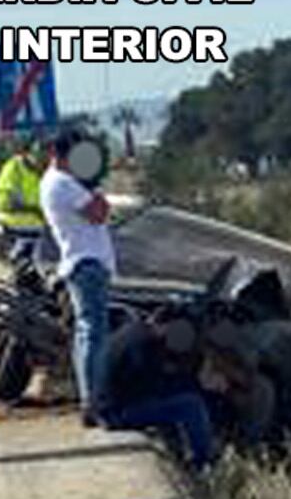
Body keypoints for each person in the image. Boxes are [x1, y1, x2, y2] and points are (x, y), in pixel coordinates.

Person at [39, 127, 115, 424]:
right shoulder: (63, 184)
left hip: (82, 263)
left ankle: (90, 397)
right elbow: (100, 213)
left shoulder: (57, 182)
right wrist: (94, 186)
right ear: (61, 155)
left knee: (86, 334)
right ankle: (93, 401)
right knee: (94, 333)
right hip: (86, 264)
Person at [96, 308, 217, 469]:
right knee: (191, 405)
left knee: (179, 402)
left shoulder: (132, 332)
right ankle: (203, 462)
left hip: (110, 406)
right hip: (116, 413)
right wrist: (193, 385)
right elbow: (152, 388)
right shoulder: (144, 343)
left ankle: (182, 456)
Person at [0, 134, 50, 262]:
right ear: (27, 152)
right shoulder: (14, 168)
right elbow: (2, 202)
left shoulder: (47, 170)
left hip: (42, 231)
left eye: (45, 153)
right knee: (26, 271)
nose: (42, 157)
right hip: (18, 230)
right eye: (38, 152)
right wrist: (32, 210)